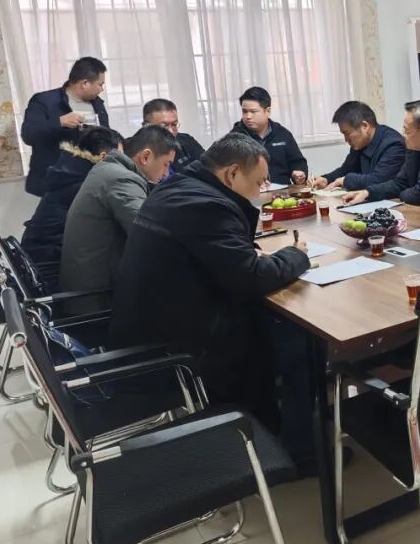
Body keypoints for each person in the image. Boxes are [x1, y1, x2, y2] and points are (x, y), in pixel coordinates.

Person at [108, 133, 312, 460]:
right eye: (258, 183)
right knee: (296, 338)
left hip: (152, 326)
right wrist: (296, 255)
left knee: (277, 325)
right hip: (177, 348)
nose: (260, 191)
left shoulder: (179, 187)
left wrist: (246, 254)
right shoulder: (206, 205)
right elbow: (250, 279)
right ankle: (296, 451)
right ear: (232, 173)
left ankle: (273, 427)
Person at [59, 125, 177, 296]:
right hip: (97, 297)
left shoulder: (109, 170)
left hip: (89, 287)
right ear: (145, 157)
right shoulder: (121, 179)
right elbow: (150, 235)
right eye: (166, 164)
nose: (166, 174)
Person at [20, 126, 124, 271]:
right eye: (121, 157)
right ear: (103, 156)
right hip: (50, 263)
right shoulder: (87, 182)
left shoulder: (71, 171)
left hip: (35, 254)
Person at [20, 57, 110, 196]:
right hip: (55, 183)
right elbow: (29, 134)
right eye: (100, 84)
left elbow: (106, 135)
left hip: (88, 180)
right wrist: (59, 122)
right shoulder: (44, 101)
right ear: (85, 83)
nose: (102, 89)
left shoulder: (97, 104)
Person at [310, 101, 406, 192]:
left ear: (365, 126)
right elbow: (346, 169)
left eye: (347, 133)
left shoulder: (393, 144)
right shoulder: (360, 143)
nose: (346, 139)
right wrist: (327, 179)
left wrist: (346, 180)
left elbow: (378, 180)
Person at [230, 87, 308, 186]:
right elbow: (229, 172)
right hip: (250, 192)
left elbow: (298, 162)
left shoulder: (282, 134)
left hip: (283, 191)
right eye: (244, 111)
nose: (248, 116)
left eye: (253, 112)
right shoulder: (234, 138)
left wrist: (299, 175)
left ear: (267, 111)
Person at [142, 98, 205, 175]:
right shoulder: (135, 150)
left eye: (174, 125)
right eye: (164, 126)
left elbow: (208, 169)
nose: (171, 131)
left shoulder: (186, 141)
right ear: (146, 126)